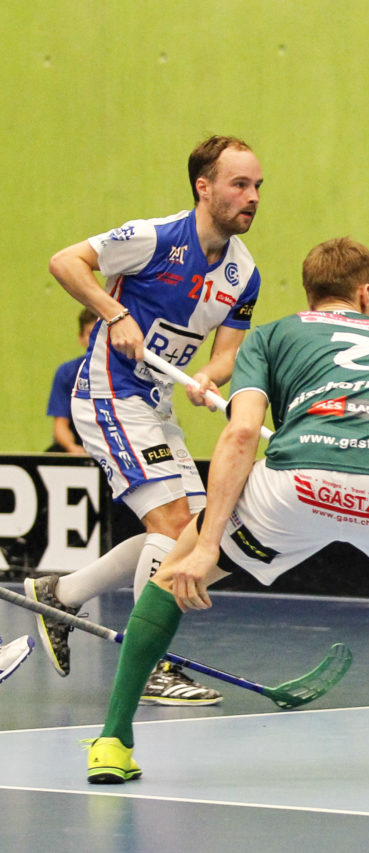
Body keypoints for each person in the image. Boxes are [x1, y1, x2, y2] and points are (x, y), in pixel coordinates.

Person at [84, 237, 369, 783]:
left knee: (171, 572)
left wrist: (208, 543)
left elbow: (240, 436)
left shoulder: (270, 336)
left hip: (294, 489)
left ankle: (113, 743)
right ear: (364, 292)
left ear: (311, 295)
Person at [27, 135, 264, 706]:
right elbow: (65, 261)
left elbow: (229, 351)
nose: (253, 196)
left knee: (196, 533)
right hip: (111, 395)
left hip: (156, 404)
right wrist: (115, 312)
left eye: (258, 186)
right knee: (172, 524)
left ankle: (61, 594)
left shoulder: (244, 274)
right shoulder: (155, 237)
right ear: (204, 188)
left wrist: (212, 375)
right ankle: (151, 663)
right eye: (240, 184)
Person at [45, 308, 97, 453]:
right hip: (81, 445)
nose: (95, 340)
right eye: (90, 334)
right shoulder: (67, 373)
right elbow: (60, 425)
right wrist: (72, 448)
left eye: (101, 335)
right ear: (81, 338)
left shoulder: (126, 372)